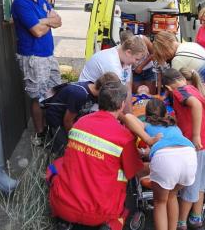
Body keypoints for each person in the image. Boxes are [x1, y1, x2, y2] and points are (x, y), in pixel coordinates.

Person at [48, 79, 148, 230]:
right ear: (121, 105)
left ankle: (66, 222)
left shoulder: (80, 123)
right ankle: (112, 224)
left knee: (57, 165)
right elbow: (134, 171)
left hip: (63, 206)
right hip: (100, 212)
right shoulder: (124, 136)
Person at [123, 99, 197, 230]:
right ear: (165, 114)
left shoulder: (147, 125)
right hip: (189, 155)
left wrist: (148, 139)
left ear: (147, 115)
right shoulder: (174, 126)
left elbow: (128, 117)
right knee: (172, 195)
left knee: (160, 202)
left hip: (166, 158)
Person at [11, 0, 62, 145]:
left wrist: (44, 21)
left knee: (55, 91)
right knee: (39, 96)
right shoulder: (21, 3)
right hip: (33, 57)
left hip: (48, 54)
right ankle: (40, 135)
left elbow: (59, 21)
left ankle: (53, 127)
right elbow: (37, 32)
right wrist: (49, 21)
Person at [161, 68, 205, 229]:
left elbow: (196, 106)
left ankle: (181, 221)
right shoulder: (191, 87)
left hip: (199, 145)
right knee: (200, 183)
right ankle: (196, 217)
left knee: (189, 185)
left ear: (168, 88)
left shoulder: (179, 92)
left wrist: (195, 135)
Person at [44, 72, 120, 154]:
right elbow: (67, 121)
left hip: (73, 116)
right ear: (103, 90)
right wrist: (75, 139)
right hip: (57, 121)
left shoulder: (93, 88)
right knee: (65, 151)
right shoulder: (80, 94)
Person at [79, 35, 147, 113]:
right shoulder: (111, 63)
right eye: (137, 59)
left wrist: (130, 114)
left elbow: (127, 88)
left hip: (101, 96)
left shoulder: (125, 59)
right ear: (128, 52)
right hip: (86, 101)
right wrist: (129, 120)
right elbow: (115, 98)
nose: (136, 63)